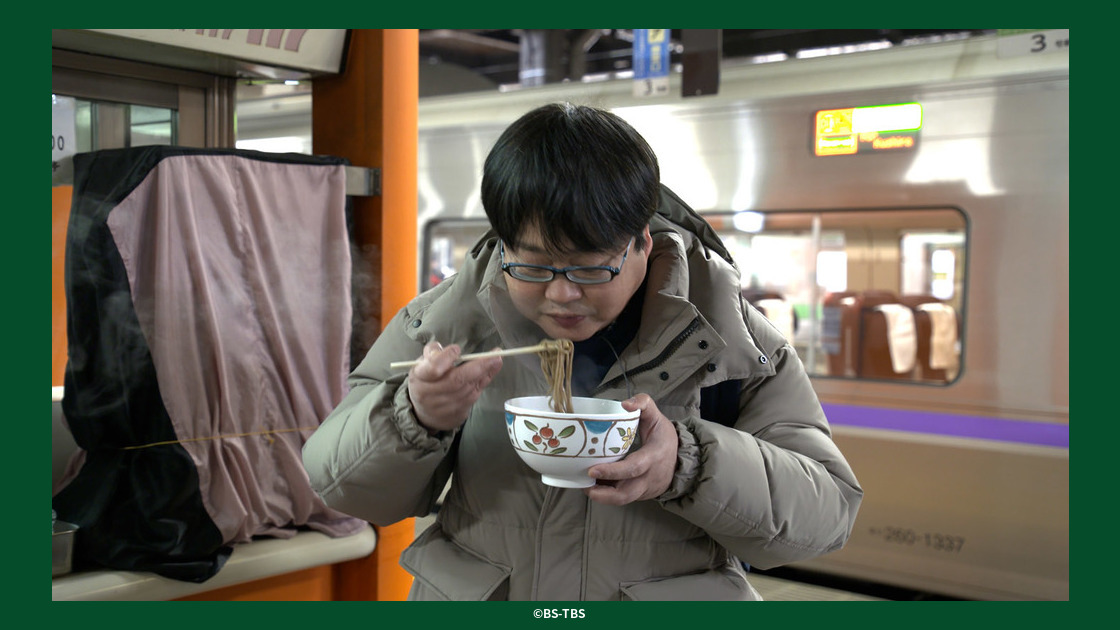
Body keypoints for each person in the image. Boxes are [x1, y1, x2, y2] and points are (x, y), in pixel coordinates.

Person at [302, 102, 863, 601]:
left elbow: (827, 516)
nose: (562, 293)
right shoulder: (448, 321)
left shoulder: (730, 338)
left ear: (643, 242)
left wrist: (689, 464)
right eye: (533, 265)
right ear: (501, 243)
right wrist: (414, 417)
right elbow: (337, 483)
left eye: (591, 267)